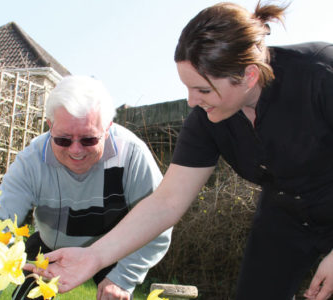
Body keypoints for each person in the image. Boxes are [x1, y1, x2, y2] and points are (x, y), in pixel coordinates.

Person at [28, 2, 333, 300]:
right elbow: (166, 202)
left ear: (249, 76)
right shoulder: (207, 119)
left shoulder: (320, 75)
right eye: (187, 88)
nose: (190, 101)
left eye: (202, 89)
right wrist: (93, 256)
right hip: (284, 216)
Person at [0, 75, 172, 300]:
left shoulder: (132, 155)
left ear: (108, 127)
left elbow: (157, 224)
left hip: (112, 253)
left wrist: (124, 278)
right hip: (49, 251)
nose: (75, 151)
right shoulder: (31, 159)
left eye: (88, 140)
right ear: (49, 126)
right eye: (63, 140)